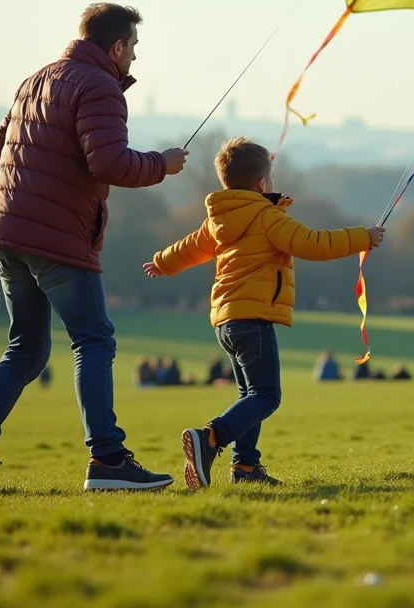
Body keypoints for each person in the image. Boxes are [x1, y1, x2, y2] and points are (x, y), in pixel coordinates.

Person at [0, 3, 188, 495]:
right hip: (55, 236)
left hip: (6, 229)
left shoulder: (36, 80)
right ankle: (108, 459)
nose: (135, 60)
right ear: (116, 46)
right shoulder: (99, 86)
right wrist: (163, 163)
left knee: (26, 348)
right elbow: (110, 163)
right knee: (94, 340)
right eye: (134, 48)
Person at [143, 136, 384, 489]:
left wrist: (162, 262)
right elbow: (314, 244)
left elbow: (191, 247)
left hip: (226, 322)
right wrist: (363, 237)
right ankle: (210, 438)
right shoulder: (267, 217)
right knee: (266, 395)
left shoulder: (220, 219)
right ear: (261, 184)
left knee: (250, 395)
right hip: (253, 320)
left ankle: (246, 468)